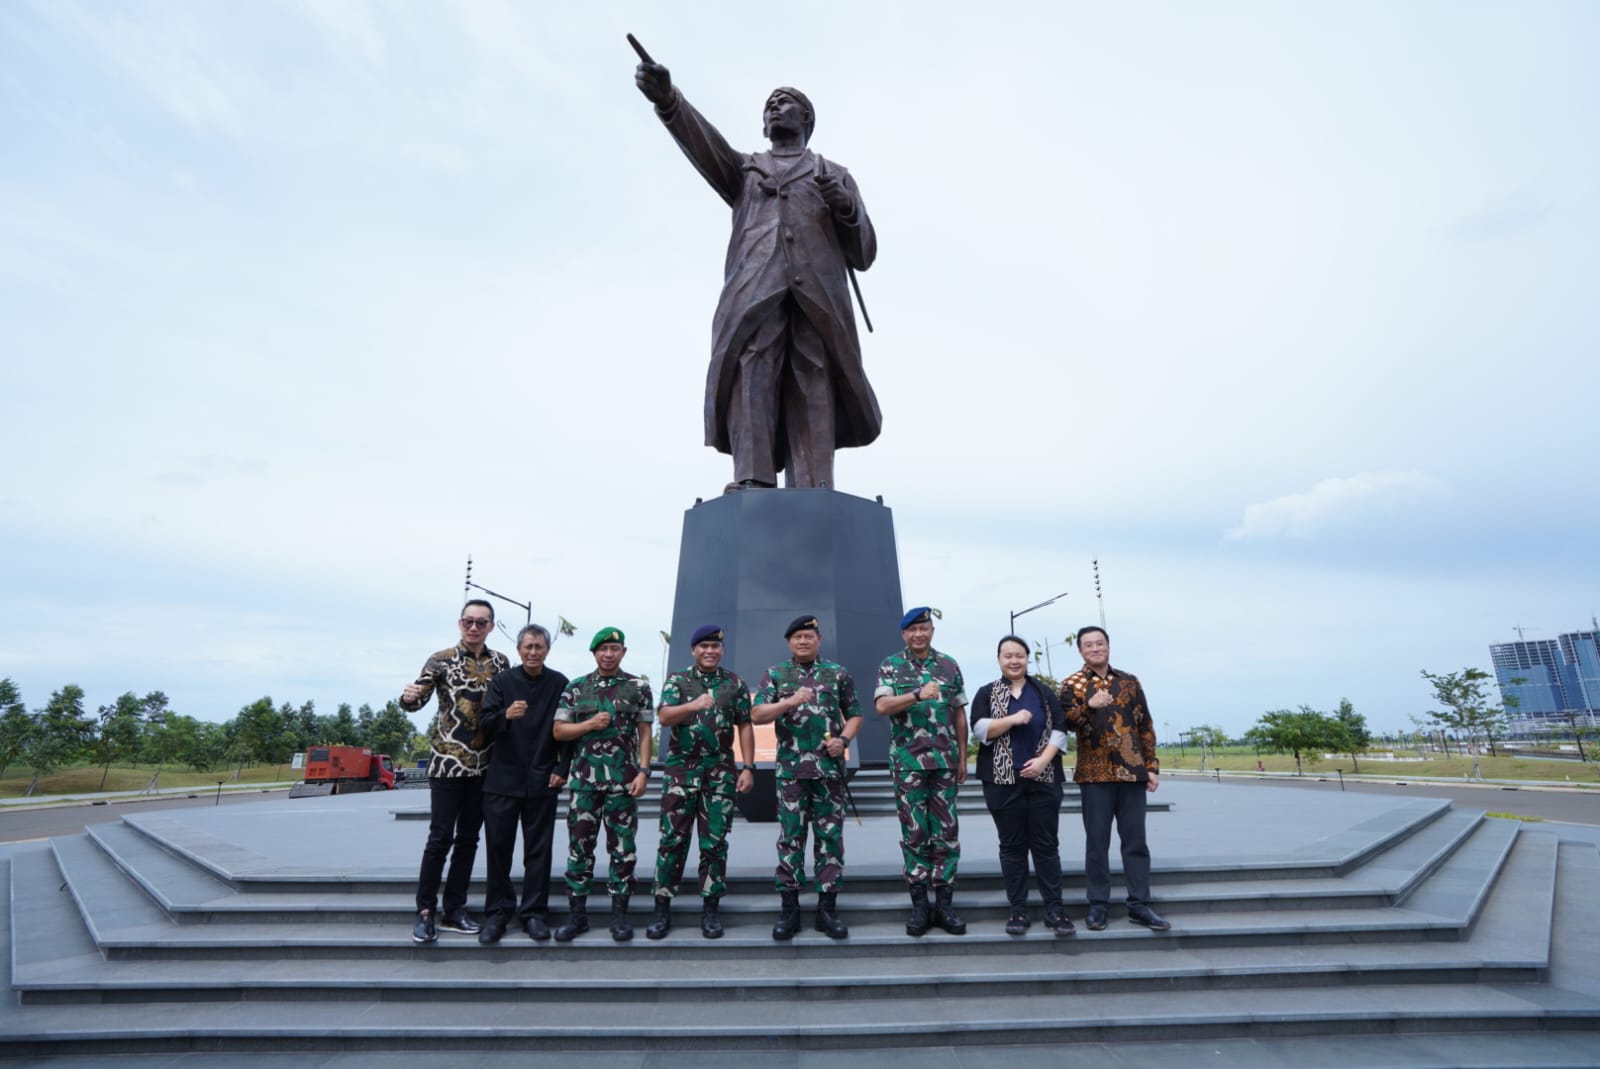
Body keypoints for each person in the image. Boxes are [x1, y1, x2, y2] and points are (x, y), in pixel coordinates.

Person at [635, 61, 880, 490]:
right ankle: (753, 478)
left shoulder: (834, 174)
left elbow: (864, 253)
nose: (774, 107)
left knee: (813, 373)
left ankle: (813, 485)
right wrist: (669, 101)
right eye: (769, 104)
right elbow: (704, 145)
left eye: (785, 102)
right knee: (753, 367)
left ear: (806, 119)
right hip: (755, 291)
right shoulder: (746, 171)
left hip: (817, 299)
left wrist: (845, 206)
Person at [399, 599, 510, 944]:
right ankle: (424, 911)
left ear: (491, 626)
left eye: (481, 622)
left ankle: (455, 908)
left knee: (469, 840)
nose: (474, 627)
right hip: (448, 761)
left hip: (486, 763)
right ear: (460, 623)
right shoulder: (441, 659)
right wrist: (407, 697)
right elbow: (416, 702)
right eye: (468, 621)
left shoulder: (501, 662)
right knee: (440, 838)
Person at [751, 615, 862, 939]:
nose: (803, 641)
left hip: (828, 773)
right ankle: (790, 911)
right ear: (789, 642)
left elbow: (855, 714)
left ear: (819, 639)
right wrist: (789, 701)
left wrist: (844, 740)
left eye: (808, 636)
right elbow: (757, 715)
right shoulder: (775, 675)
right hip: (792, 773)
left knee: (830, 842)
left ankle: (827, 910)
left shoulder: (837, 674)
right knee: (790, 840)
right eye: (797, 636)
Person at [646, 624, 756, 939]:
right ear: (693, 650)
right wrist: (693, 706)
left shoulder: (734, 683)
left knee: (715, 844)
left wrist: (748, 767)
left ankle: (710, 909)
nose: (710, 651)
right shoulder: (678, 681)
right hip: (681, 770)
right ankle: (662, 907)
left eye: (715, 646)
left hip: (720, 771)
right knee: (672, 841)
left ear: (722, 650)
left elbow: (745, 726)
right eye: (704, 646)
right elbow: (665, 717)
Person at [1059, 626, 1170, 932]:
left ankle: (1139, 904)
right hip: (1095, 775)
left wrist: (1151, 766)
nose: (1095, 649)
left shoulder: (1129, 682)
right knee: (1097, 843)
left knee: (1135, 842)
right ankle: (1098, 905)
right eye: (1088, 645)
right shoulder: (1073, 684)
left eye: (1100, 643)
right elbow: (1064, 722)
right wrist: (1088, 706)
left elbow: (1145, 725)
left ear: (1108, 646)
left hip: (1131, 772)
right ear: (1080, 651)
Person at [551, 628, 654, 942]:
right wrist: (589, 724)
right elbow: (559, 731)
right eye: (603, 649)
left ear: (623, 651)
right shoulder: (576, 687)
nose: (608, 654)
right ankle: (576, 916)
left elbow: (646, 732)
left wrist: (644, 772)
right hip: (584, 783)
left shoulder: (638, 686)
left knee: (623, 850)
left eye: (614, 648)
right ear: (593, 652)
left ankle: (620, 916)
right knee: (579, 849)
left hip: (623, 783)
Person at [970, 636, 1075, 936]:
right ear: (999, 659)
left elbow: (1060, 728)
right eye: (1007, 656)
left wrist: (1044, 761)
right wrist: (1013, 719)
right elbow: (980, 730)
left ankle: (1056, 910)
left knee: (1046, 846)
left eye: (1019, 655)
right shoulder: (987, 693)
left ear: (1027, 658)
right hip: (1002, 782)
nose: (1013, 660)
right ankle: (1018, 910)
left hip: (1043, 780)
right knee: (1012, 847)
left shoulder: (1043, 691)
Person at [874, 607, 969, 936]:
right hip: (908, 763)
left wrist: (962, 758)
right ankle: (919, 905)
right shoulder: (891, 665)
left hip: (944, 762)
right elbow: (882, 706)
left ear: (932, 630)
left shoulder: (949, 665)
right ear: (904, 634)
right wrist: (916, 694)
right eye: (912, 629)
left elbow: (958, 713)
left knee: (946, 834)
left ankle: (944, 904)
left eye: (924, 628)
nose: (918, 634)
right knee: (914, 834)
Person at [475, 624, 570, 944]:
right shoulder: (502, 681)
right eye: (527, 647)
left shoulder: (559, 683)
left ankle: (534, 913)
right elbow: (485, 725)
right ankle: (498, 913)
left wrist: (563, 766)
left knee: (538, 851)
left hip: (543, 778)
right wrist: (506, 714)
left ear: (547, 650)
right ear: (518, 650)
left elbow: (568, 731)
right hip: (502, 780)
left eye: (538, 647)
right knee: (498, 850)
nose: (533, 652)